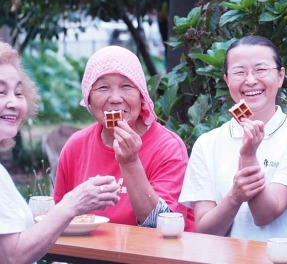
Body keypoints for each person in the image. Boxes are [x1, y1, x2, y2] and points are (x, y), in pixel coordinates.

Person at [179, 35, 287, 245]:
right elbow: (204, 230)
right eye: (239, 72)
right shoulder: (207, 143)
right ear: (227, 80)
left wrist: (248, 156)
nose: (251, 80)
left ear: (280, 76)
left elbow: (265, 215)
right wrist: (234, 197)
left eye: (261, 69)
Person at [0, 42, 119, 264]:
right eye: (0, 92)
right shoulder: (75, 144)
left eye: (18, 92)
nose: (13, 102)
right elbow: (12, 256)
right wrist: (71, 204)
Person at [54, 45, 194, 231]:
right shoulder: (76, 146)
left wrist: (130, 163)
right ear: (88, 98)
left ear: (142, 95)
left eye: (126, 86)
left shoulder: (168, 146)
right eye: (103, 87)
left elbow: (163, 226)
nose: (115, 98)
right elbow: (58, 220)